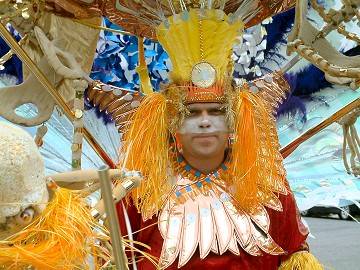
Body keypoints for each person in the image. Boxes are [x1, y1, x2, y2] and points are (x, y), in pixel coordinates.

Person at [116, 6, 323, 270]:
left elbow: (296, 257)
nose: (205, 121)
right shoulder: (140, 192)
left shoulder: (267, 187)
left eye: (216, 111)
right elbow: (114, 256)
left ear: (232, 123)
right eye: (191, 113)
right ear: (173, 125)